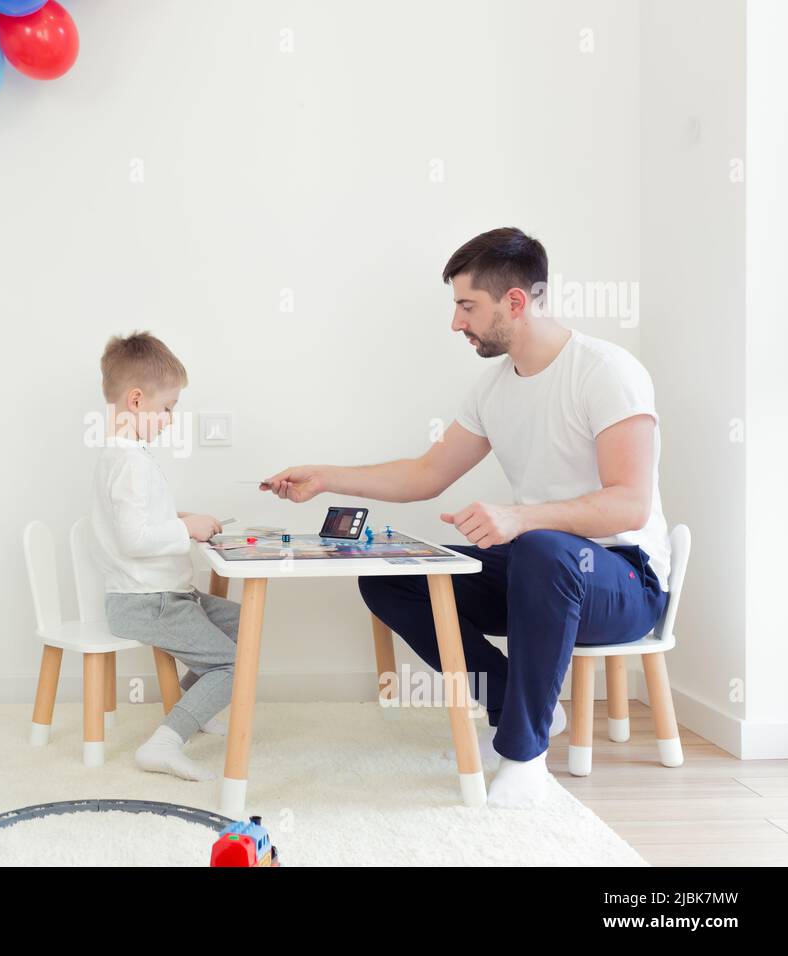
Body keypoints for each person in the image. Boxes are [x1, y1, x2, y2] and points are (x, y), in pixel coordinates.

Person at [263, 227, 670, 808]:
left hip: (622, 579)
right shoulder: (492, 389)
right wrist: (328, 476)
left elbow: (628, 502)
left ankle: (524, 755)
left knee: (540, 547)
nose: (457, 323)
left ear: (515, 302)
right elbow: (426, 474)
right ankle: (512, 700)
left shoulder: (605, 371)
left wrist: (520, 518)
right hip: (540, 570)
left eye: (466, 306)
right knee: (394, 578)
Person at [91, 331, 237, 781]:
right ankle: (165, 742)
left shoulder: (124, 456)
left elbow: (135, 521)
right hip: (146, 601)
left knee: (243, 626)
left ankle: (192, 707)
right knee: (235, 661)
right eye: (167, 408)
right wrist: (184, 530)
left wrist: (179, 518)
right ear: (136, 401)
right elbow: (135, 540)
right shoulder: (129, 462)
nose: (171, 419)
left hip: (164, 594)